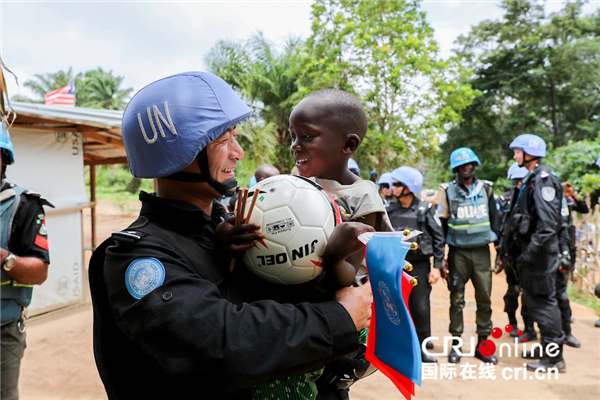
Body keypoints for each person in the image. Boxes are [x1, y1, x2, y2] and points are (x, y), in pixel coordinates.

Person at [88, 72, 373, 400]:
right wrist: (339, 318)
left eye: (234, 137)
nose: (237, 153)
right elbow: (221, 345)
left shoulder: (233, 227)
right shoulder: (137, 256)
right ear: (181, 152)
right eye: (223, 140)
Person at [286, 88, 394, 399]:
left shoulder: (363, 198)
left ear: (348, 145)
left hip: (338, 321)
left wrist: (334, 256)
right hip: (299, 316)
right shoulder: (295, 188)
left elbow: (351, 276)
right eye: (293, 136)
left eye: (307, 136)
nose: (295, 145)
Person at [498, 134, 566, 373]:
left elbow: (548, 224)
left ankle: (554, 357)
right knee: (535, 301)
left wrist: (530, 253)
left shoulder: (543, 180)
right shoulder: (532, 178)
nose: (514, 155)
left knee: (544, 302)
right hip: (534, 254)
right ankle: (548, 348)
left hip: (540, 256)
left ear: (530, 153)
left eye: (517, 151)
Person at [1, 126, 53, 400]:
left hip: (3, 328)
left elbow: (40, 272)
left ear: (3, 158)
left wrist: (6, 259)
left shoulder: (22, 204)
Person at [438, 147, 499, 364]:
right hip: (458, 253)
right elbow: (442, 226)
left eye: (469, 164)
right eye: (461, 165)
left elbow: (496, 220)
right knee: (457, 300)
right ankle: (456, 345)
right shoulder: (447, 191)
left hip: (482, 252)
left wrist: (500, 251)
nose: (466, 167)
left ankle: (483, 346)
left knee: (484, 298)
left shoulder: (487, 189)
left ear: (475, 165)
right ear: (456, 168)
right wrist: (442, 257)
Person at [386, 166, 445, 364]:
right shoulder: (388, 209)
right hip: (395, 266)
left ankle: (421, 349)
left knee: (420, 308)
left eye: (397, 184)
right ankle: (396, 349)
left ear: (409, 187)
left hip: (419, 266)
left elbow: (438, 238)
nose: (392, 188)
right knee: (394, 307)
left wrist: (437, 266)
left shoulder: (425, 209)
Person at [496, 163, 535, 341]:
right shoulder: (504, 201)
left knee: (528, 293)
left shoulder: (532, 199)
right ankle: (512, 324)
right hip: (510, 254)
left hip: (528, 254)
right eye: (516, 181)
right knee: (512, 291)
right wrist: (500, 255)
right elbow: (500, 228)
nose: (519, 184)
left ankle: (529, 329)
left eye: (522, 180)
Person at [554, 181, 588, 348]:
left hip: (567, 249)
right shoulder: (547, 201)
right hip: (550, 249)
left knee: (562, 292)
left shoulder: (568, 201)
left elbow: (584, 208)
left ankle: (566, 331)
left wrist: (573, 195)